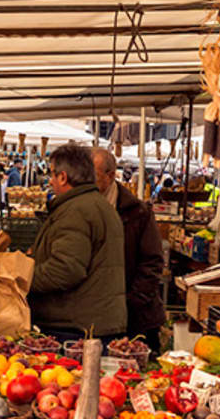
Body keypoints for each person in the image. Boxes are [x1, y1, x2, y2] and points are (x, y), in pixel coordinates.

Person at [27, 143, 125, 339]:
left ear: (63, 177)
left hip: (74, 326)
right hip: (93, 321)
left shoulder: (76, 211)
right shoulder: (98, 205)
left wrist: (22, 278)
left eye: (52, 174)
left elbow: (65, 269)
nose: (50, 181)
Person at [92, 148, 164, 353]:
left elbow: (153, 262)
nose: (88, 182)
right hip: (98, 314)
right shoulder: (84, 207)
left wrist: (131, 302)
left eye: (94, 176)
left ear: (111, 175)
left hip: (135, 317)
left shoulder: (138, 212)